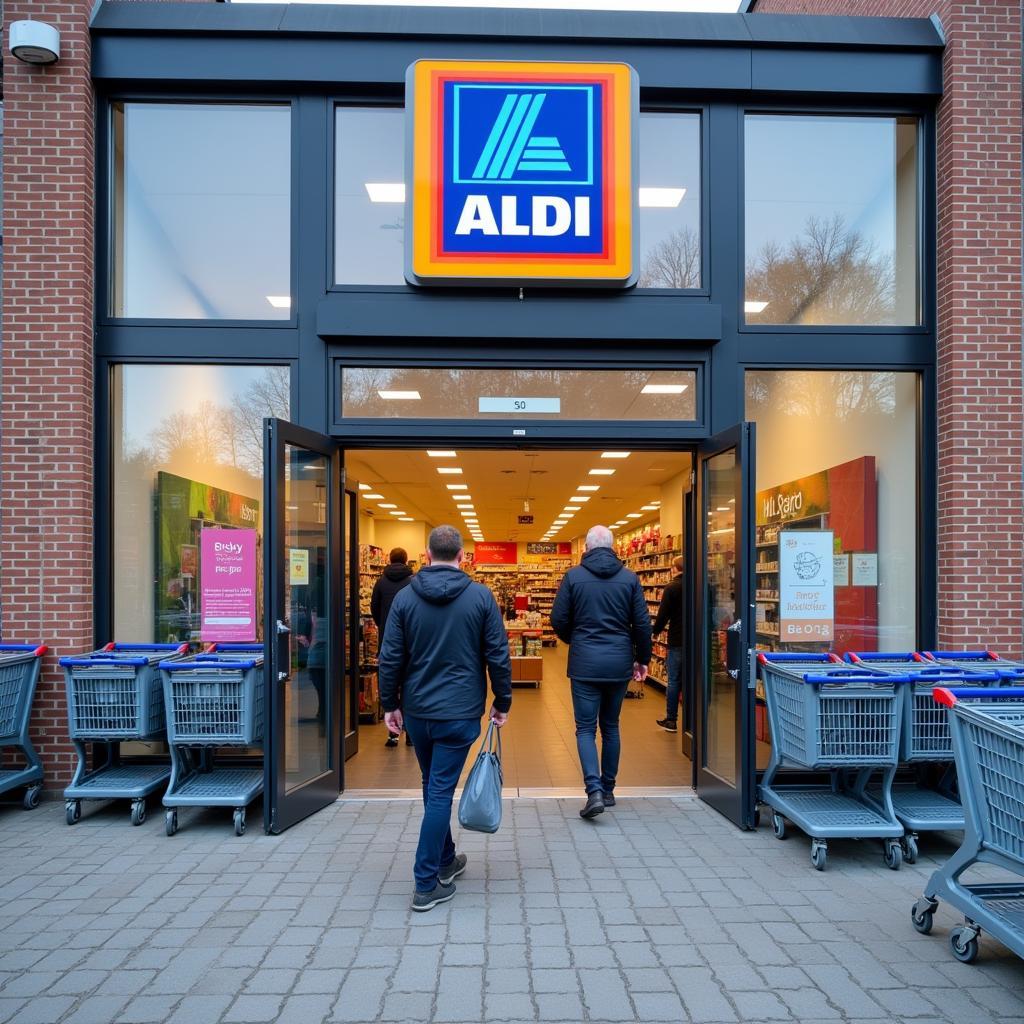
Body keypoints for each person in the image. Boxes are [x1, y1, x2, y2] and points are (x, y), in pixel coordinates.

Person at [378, 524, 512, 912]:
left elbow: (390, 657)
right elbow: (498, 655)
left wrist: (390, 703)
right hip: (460, 711)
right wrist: (502, 700)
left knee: (433, 784)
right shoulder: (481, 598)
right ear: (462, 556)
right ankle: (425, 883)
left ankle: (445, 860)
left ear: (426, 554)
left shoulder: (405, 599)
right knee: (438, 790)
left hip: (419, 711)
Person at [551, 525, 652, 820]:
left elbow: (558, 619)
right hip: (619, 662)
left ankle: (592, 789)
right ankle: (608, 790)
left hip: (584, 663)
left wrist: (576, 639)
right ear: (613, 548)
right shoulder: (629, 578)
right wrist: (642, 658)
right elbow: (642, 625)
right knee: (611, 726)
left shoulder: (574, 577)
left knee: (585, 728)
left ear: (587, 548)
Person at [370, 547, 415, 747]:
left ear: (389, 559)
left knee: (390, 683)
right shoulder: (413, 582)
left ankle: (393, 734)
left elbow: (374, 608)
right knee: (409, 685)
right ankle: (411, 733)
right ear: (406, 561)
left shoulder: (381, 582)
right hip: (410, 641)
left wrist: (384, 627)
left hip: (387, 639)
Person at [652, 556, 684, 733]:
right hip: (698, 642)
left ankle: (672, 720)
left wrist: (655, 632)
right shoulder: (702, 585)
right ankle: (695, 719)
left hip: (677, 640)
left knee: (673, 681)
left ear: (674, 568)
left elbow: (663, 614)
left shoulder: (672, 587)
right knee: (694, 680)